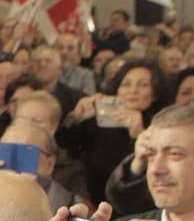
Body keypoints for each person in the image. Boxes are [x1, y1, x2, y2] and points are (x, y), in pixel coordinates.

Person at [60, 58, 168, 206]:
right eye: (126, 84)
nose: (133, 91)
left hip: (137, 204)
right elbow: (63, 142)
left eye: (143, 85)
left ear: (155, 93)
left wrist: (138, 132)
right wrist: (75, 117)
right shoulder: (99, 120)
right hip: (93, 200)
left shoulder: (161, 126)